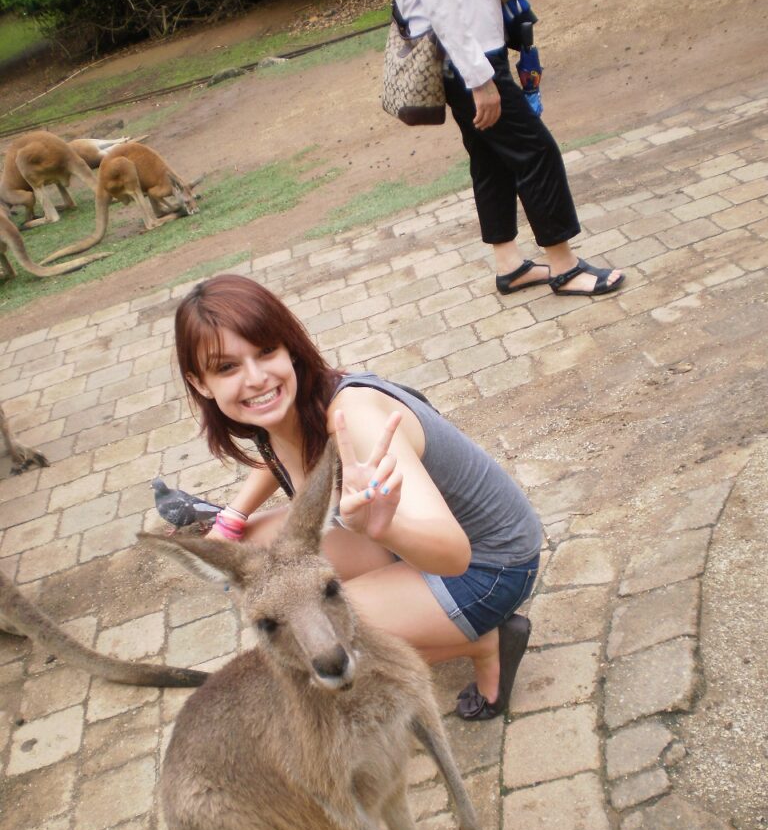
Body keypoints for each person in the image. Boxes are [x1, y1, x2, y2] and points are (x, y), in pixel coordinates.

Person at [174, 274, 543, 720]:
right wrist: (231, 519)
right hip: (400, 541)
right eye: (227, 367)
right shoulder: (282, 410)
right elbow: (274, 459)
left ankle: (487, 643)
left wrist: (379, 526)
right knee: (251, 559)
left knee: (316, 632)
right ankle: (413, 611)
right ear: (201, 384)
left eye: (265, 351)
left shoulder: (353, 416)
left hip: (491, 564)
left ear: (289, 347)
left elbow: (454, 553)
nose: (255, 378)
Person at [389, 0, 625, 297]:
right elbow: (440, 5)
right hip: (465, 61)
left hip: (474, 52)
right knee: (536, 151)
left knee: (491, 160)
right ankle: (565, 267)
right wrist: (479, 80)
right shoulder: (472, 69)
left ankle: (509, 266)